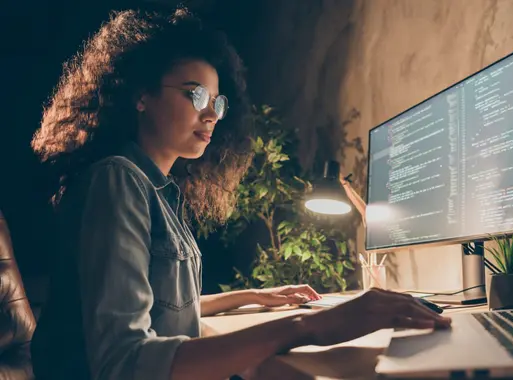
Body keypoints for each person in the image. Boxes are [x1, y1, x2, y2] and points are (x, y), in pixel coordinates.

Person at [30, 7, 450, 380]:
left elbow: (160, 306)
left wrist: (251, 298)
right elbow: (125, 363)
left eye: (218, 101)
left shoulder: (157, 188)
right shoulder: (116, 181)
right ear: (142, 95)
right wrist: (310, 327)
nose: (211, 113)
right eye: (195, 94)